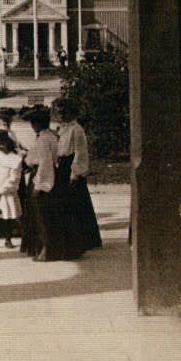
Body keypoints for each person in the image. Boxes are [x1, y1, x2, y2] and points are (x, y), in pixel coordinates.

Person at [52, 97, 101, 254]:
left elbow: (80, 153)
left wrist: (75, 174)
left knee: (77, 203)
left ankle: (85, 239)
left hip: (71, 167)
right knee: (65, 203)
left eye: (64, 111)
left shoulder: (76, 129)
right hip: (62, 167)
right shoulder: (60, 129)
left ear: (72, 112)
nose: (61, 114)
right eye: (58, 112)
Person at [20, 104, 69, 261]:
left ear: (37, 124)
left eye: (33, 123)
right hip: (52, 177)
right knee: (50, 215)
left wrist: (40, 186)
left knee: (41, 216)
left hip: (43, 178)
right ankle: (50, 248)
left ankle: (47, 250)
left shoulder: (43, 139)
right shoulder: (52, 136)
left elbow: (45, 162)